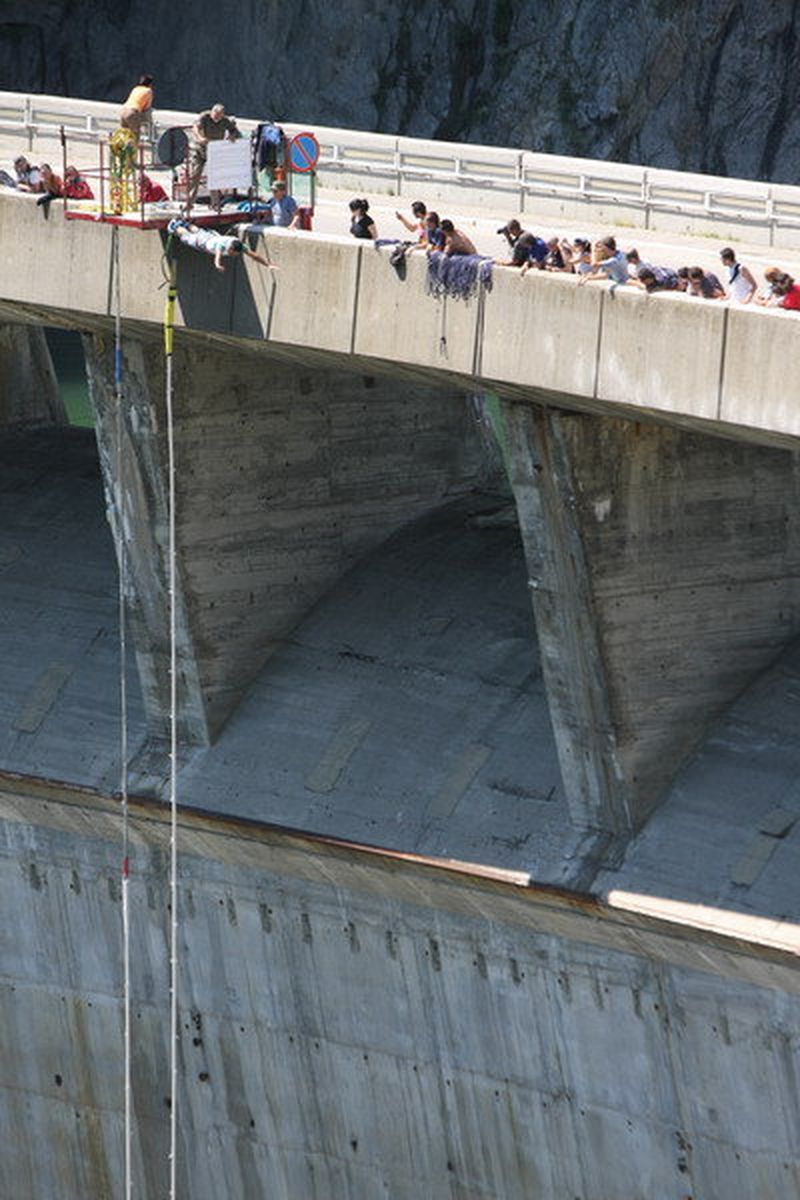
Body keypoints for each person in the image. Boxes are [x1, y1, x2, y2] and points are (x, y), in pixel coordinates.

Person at [167, 218, 276, 273]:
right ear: (231, 249)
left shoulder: (239, 245)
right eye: (234, 253)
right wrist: (218, 265)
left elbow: (254, 255)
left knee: (197, 230)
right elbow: (217, 256)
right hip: (202, 242)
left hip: (210, 236)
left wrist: (268, 265)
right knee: (186, 236)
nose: (234, 255)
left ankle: (184, 223)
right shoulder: (223, 246)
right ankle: (174, 226)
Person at [188, 103, 240, 200]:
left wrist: (231, 136)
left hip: (214, 150)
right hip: (200, 149)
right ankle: (190, 202)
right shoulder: (204, 116)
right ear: (212, 112)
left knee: (214, 176)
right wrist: (200, 138)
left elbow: (235, 131)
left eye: (219, 117)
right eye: (215, 116)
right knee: (195, 175)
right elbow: (195, 128)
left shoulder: (225, 120)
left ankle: (215, 203)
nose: (216, 118)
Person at [120, 75, 154, 140]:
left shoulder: (136, 88)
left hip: (123, 111)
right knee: (135, 136)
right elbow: (147, 108)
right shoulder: (148, 91)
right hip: (132, 112)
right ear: (150, 84)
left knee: (125, 137)